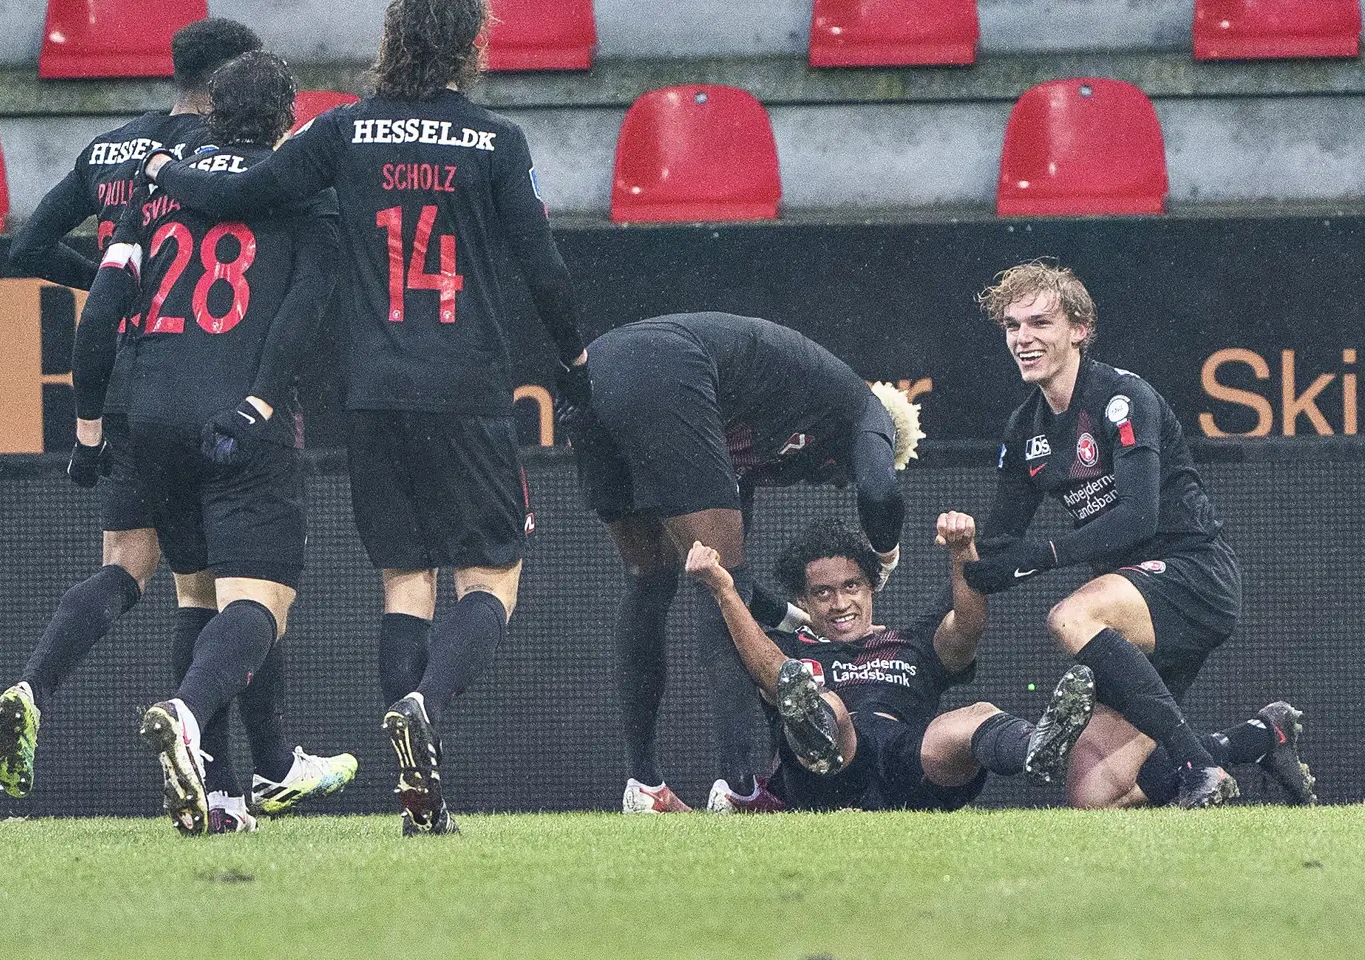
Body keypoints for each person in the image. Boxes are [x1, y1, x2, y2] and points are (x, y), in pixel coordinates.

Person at [145, 0, 589, 836]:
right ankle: (424, 706)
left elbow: (249, 190)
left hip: (373, 395)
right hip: (465, 390)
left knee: (405, 580)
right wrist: (575, 362)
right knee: (491, 577)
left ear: (391, 43)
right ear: (470, 45)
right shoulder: (496, 141)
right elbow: (545, 269)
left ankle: (421, 797)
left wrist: (168, 174)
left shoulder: (344, 130)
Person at [0, 18, 353, 831]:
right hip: (236, 409)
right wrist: (261, 398)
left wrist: (88, 426)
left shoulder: (158, 183)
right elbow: (301, 313)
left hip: (142, 403)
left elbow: (97, 310)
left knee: (190, 591)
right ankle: (200, 726)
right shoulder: (300, 191)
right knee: (256, 600)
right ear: (288, 114)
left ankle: (220, 796)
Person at [966, 261, 1314, 809]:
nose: (1023, 339)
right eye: (1012, 326)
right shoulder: (1026, 427)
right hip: (1131, 603)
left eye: (1040, 323)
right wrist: (965, 551)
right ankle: (1257, 738)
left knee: (1071, 617)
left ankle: (1201, 769)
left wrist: (1046, 555)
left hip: (1192, 573)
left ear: (1079, 329)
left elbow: (1138, 519)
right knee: (1096, 795)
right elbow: (1002, 547)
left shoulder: (1122, 397)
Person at [560, 312, 925, 814]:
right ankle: (738, 787)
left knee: (651, 581)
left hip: (591, 374)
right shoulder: (866, 408)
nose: (834, 483)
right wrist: (884, 556)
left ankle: (644, 784)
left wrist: (790, 616)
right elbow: (880, 489)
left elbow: (730, 577)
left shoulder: (754, 435)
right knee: (719, 592)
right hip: (670, 367)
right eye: (840, 476)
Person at [684, 517, 1096, 812]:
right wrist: (724, 589)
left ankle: (1037, 748)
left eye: (851, 586)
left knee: (976, 715)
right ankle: (817, 736)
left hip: (909, 768)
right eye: (823, 593)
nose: (841, 603)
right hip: (825, 774)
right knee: (822, 703)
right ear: (804, 603)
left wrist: (962, 554)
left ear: (871, 588)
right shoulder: (789, 649)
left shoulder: (910, 642)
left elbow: (968, 628)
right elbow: (771, 672)